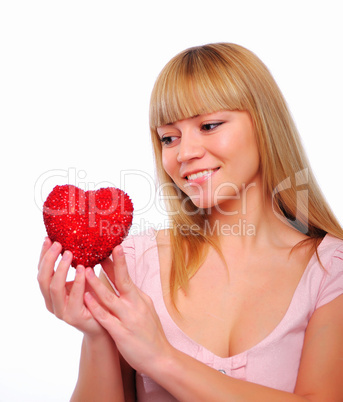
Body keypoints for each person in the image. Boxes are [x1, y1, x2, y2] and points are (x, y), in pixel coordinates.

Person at [38, 43, 343, 401]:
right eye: (169, 137)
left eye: (209, 125)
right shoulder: (135, 263)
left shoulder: (329, 270)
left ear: (265, 124)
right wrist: (96, 336)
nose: (184, 153)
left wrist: (161, 359)